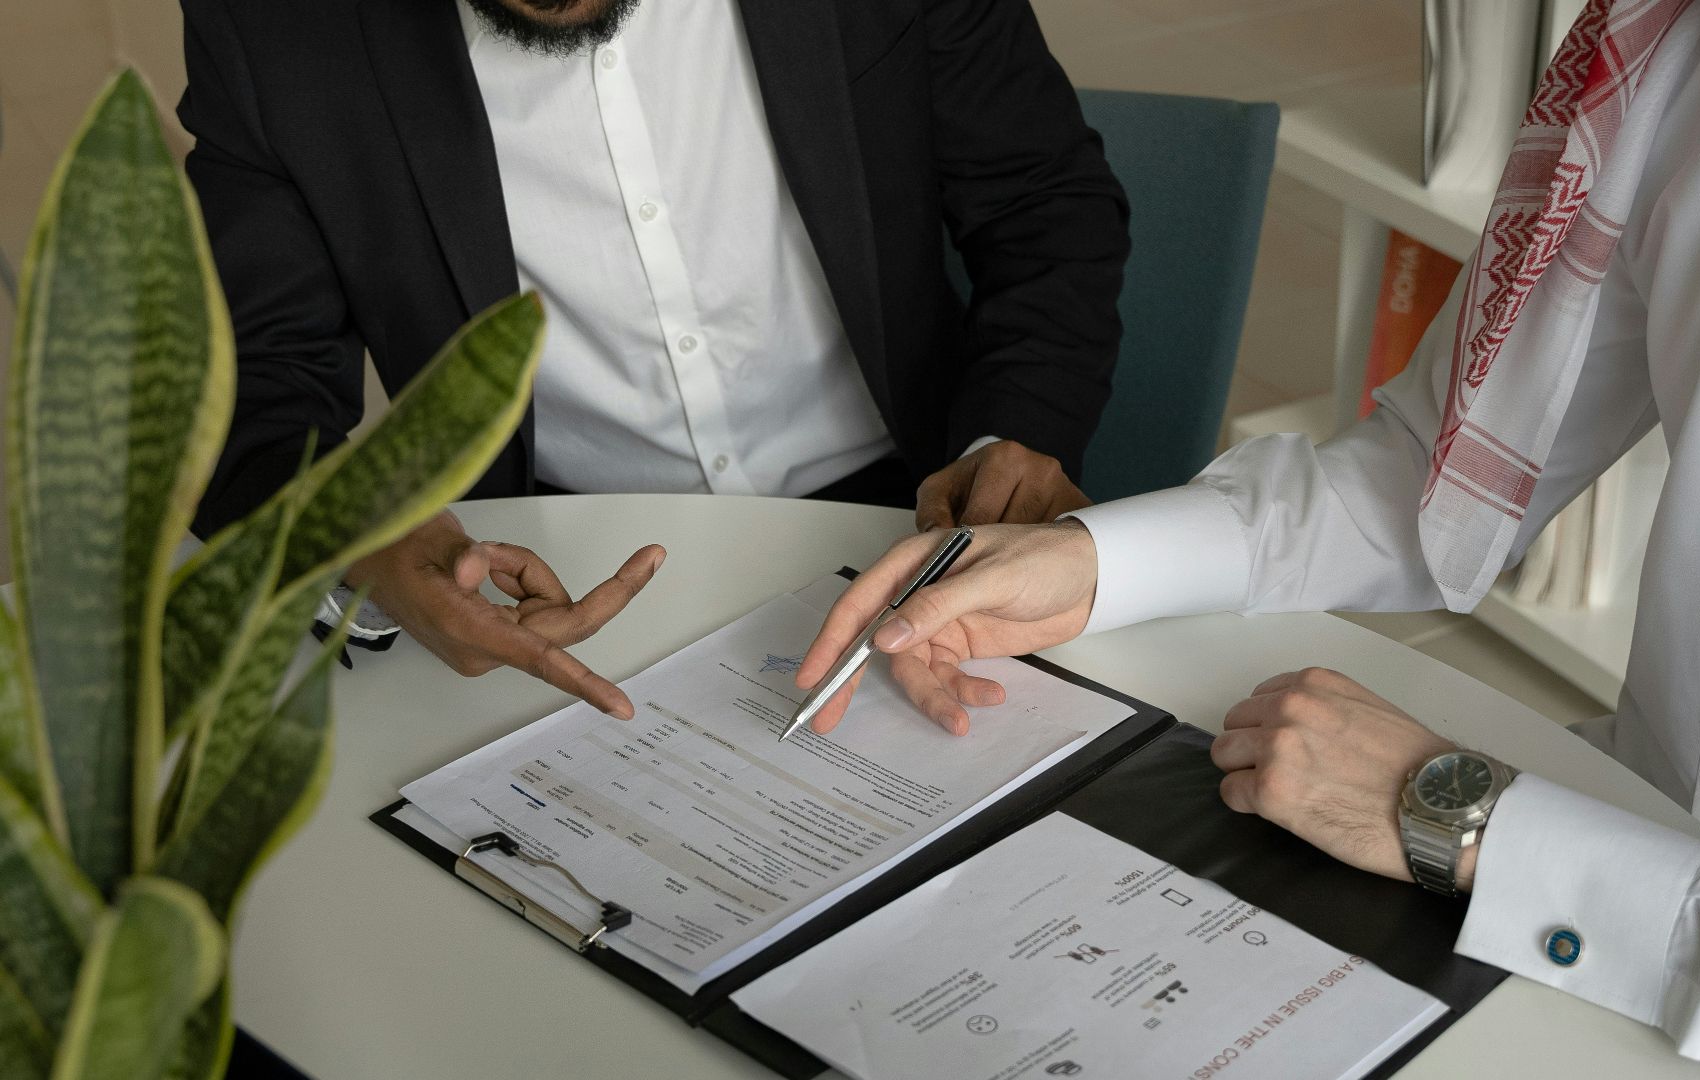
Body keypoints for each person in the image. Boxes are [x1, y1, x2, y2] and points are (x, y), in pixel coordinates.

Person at [798, 1, 1700, 1076]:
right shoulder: (1694, 38)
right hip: (1614, 851)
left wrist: (1469, 823)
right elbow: (1436, 476)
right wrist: (1091, 562)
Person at [176, 0, 1128, 717]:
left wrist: (1011, 435)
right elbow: (254, 384)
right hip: (556, 563)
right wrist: (360, 534)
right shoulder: (270, 26)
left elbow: (1043, 206)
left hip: (910, 518)